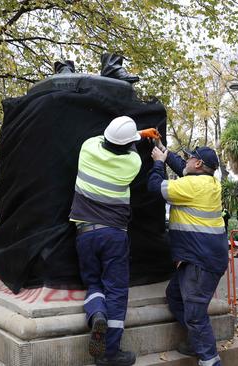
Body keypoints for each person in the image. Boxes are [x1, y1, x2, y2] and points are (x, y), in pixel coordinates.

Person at [69, 116, 160, 366]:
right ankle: (110, 352)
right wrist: (141, 135)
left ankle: (96, 312)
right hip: (114, 235)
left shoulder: (87, 148)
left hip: (84, 232)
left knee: (93, 283)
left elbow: (109, 138)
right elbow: (127, 146)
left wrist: (136, 133)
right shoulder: (132, 163)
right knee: (117, 291)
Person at [147, 140, 227, 366]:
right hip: (200, 258)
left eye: (191, 157)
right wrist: (165, 151)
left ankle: (210, 359)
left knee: (195, 314)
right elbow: (182, 165)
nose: (187, 160)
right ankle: (196, 340)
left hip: (201, 262)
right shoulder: (209, 181)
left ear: (199, 163)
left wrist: (157, 163)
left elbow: (155, 186)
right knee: (175, 296)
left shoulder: (193, 186)